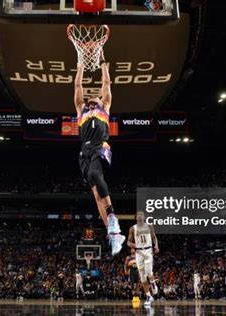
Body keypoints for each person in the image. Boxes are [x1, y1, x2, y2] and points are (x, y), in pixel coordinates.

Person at [73, 49, 125, 256]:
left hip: (100, 146)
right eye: (90, 96)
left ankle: (112, 215)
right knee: (96, 195)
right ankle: (113, 234)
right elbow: (78, 86)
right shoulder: (81, 110)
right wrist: (80, 65)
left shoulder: (105, 108)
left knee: (96, 175)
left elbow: (106, 84)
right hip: (84, 152)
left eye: (98, 96)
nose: (93, 95)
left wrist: (103, 60)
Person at [127, 211, 159, 306]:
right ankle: (149, 296)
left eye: (142, 215)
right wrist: (134, 245)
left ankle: (153, 283)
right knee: (142, 276)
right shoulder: (133, 228)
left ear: (144, 217)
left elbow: (154, 237)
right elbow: (128, 242)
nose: (140, 216)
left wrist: (156, 246)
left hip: (148, 251)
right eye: (138, 215)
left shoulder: (149, 226)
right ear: (136, 218)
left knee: (148, 272)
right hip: (139, 253)